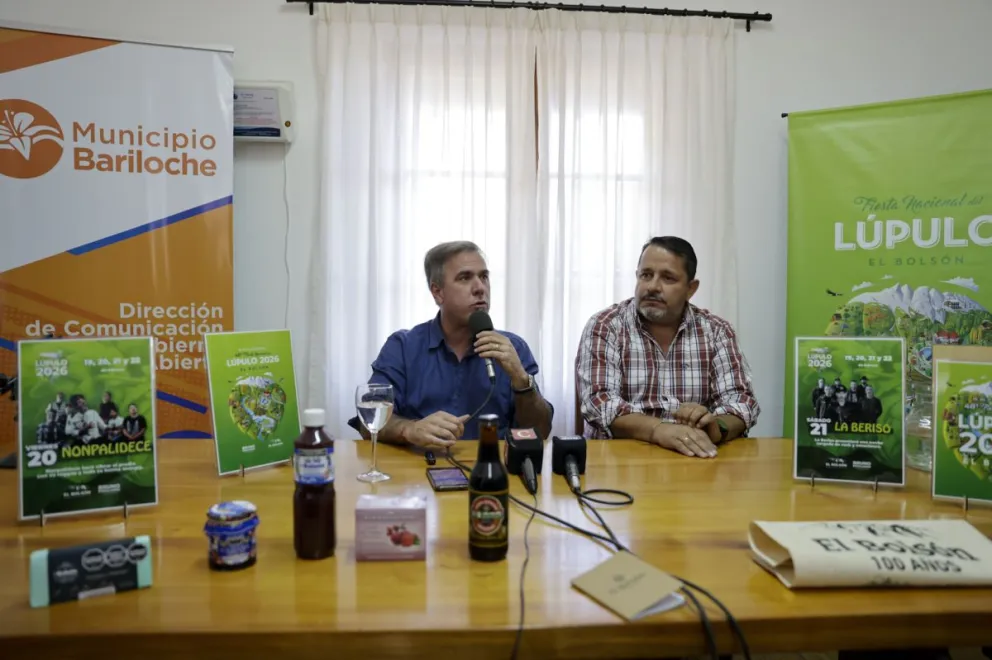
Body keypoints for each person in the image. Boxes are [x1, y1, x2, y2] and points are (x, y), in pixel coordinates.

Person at [355, 241, 553, 448]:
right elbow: (367, 421)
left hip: (492, 468)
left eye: (484, 277)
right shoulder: (403, 347)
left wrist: (521, 380)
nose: (480, 288)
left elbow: (541, 431)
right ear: (437, 292)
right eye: (465, 278)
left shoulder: (513, 347)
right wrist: (409, 429)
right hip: (417, 469)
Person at [576, 236, 759, 458]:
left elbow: (742, 403)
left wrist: (715, 427)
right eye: (646, 275)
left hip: (694, 463)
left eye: (668, 278)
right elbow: (599, 402)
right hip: (619, 464)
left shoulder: (717, 331)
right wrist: (660, 430)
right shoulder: (606, 326)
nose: (652, 286)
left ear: (691, 289)